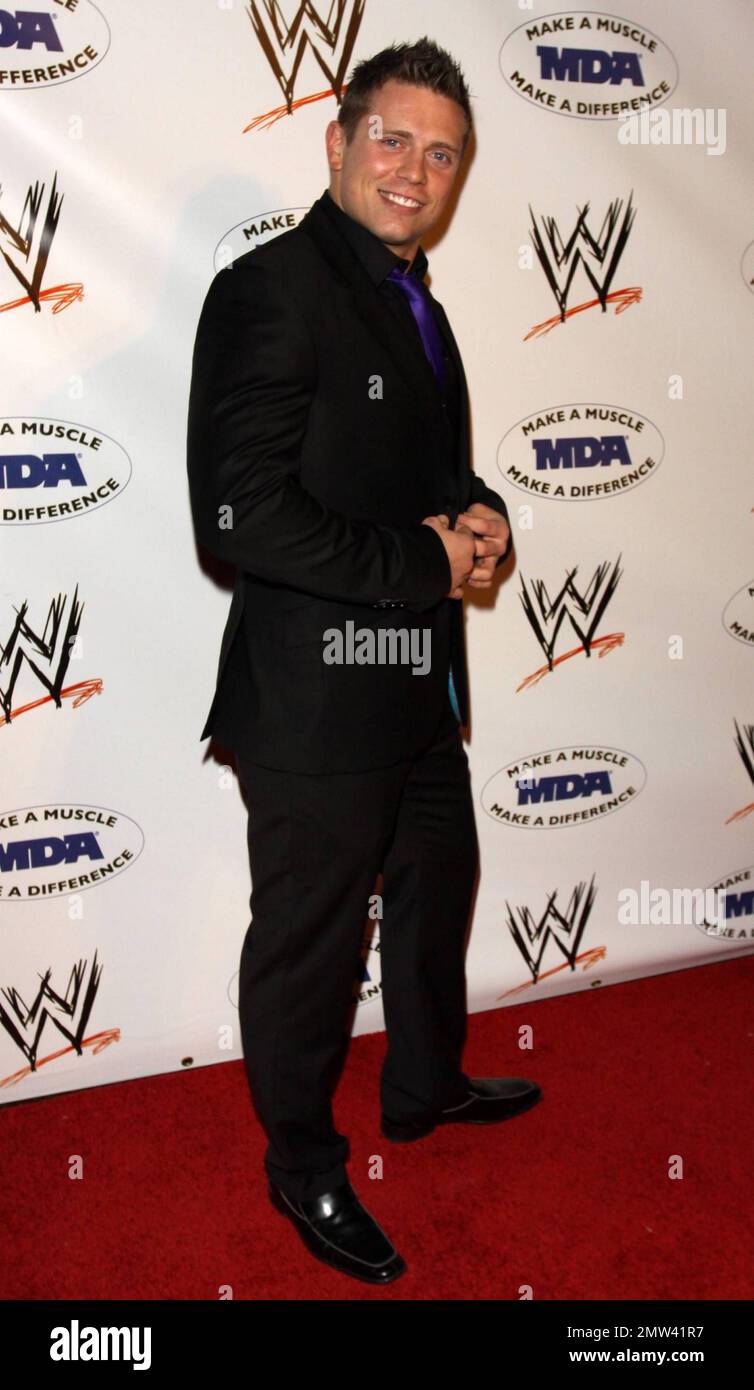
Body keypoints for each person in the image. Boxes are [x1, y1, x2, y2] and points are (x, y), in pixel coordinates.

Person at [187, 36, 542, 1287]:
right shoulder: (272, 289)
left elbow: (425, 481)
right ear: (335, 145)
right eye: (392, 138)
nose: (415, 168)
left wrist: (484, 514)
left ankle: (422, 1085)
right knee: (310, 948)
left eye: (441, 152)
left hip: (413, 688)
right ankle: (303, 1165)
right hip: (314, 701)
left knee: (439, 881)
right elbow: (235, 517)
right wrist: (424, 564)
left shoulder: (416, 301)